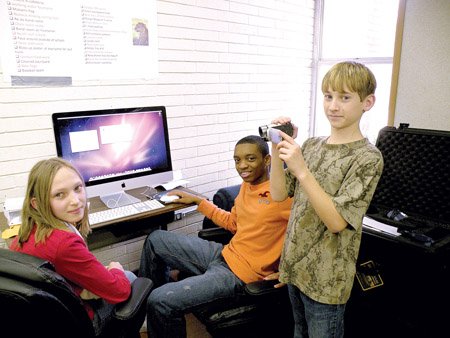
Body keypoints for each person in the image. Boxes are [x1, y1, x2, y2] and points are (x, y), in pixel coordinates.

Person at [268, 61, 384, 337]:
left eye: (345, 97)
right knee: (299, 332)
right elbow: (278, 194)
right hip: (295, 267)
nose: (333, 106)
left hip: (327, 279)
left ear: (367, 102)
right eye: (329, 96)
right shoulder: (311, 145)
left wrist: (302, 169)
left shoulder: (367, 158)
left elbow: (336, 222)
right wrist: (276, 149)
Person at [139, 135, 293, 338]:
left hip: (240, 275)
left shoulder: (283, 195)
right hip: (226, 253)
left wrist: (289, 270)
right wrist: (198, 201)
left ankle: (159, 311)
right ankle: (155, 319)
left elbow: (308, 236)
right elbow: (233, 223)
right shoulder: (247, 186)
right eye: (237, 160)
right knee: (156, 239)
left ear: (267, 160)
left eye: (250, 158)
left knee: (160, 299)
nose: (242, 166)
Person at [10, 157, 137, 335]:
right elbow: (119, 292)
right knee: (130, 278)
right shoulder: (64, 243)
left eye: (78, 188)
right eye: (59, 194)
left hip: (45, 321)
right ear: (36, 204)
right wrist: (116, 269)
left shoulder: (23, 234)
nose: (76, 201)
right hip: (79, 324)